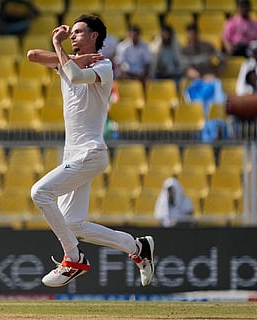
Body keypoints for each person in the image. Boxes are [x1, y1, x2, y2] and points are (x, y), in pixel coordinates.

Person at [27, 14, 155, 288]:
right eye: (70, 33)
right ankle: (136, 247)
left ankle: (73, 258)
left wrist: (58, 47)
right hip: (73, 155)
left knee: (40, 192)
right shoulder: (69, 61)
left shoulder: (104, 65)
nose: (72, 36)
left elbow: (75, 76)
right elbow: (32, 56)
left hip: (91, 152)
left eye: (79, 32)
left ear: (94, 36)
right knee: (72, 225)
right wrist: (69, 57)